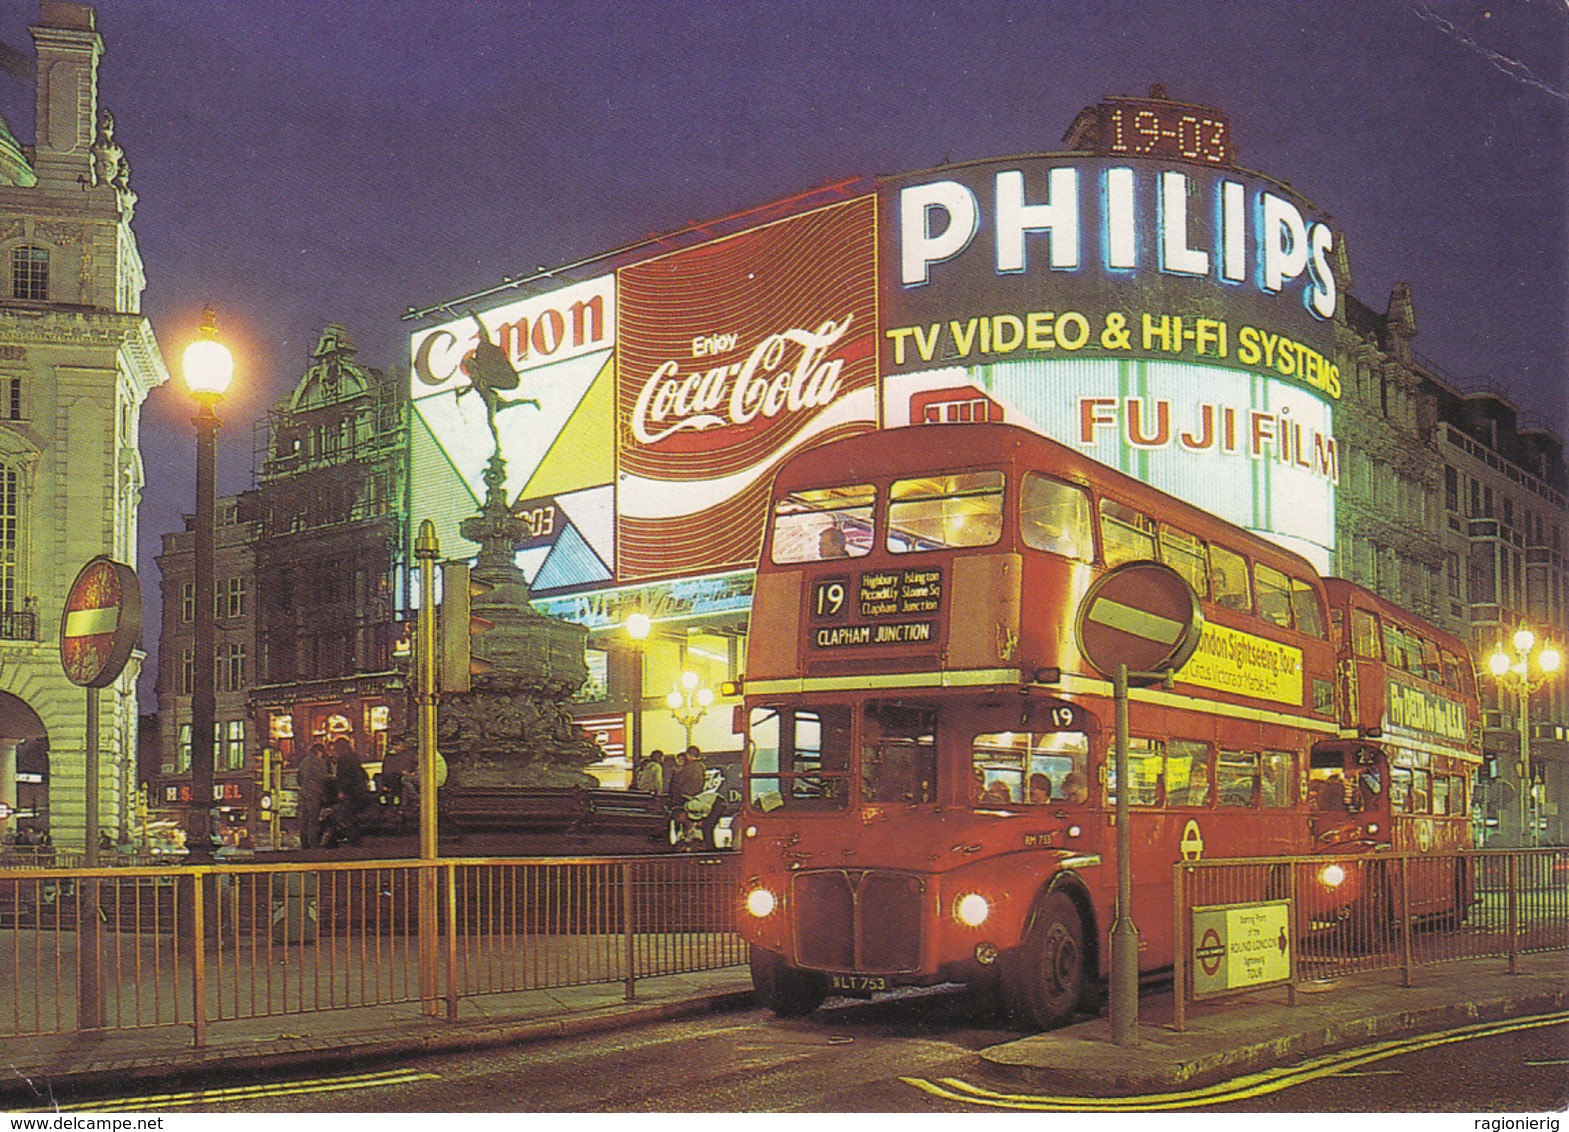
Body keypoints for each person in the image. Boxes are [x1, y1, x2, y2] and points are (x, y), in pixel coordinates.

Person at [328, 738, 372, 847]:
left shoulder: (343, 759)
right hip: (359, 789)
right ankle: (355, 839)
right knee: (352, 814)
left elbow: (343, 776)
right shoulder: (354, 756)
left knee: (346, 815)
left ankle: (353, 839)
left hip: (349, 791)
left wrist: (341, 790)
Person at [297, 743, 333, 849]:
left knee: (304, 818)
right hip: (315, 792)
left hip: (304, 792)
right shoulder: (319, 762)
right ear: (319, 752)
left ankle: (304, 842)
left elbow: (299, 778)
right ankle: (313, 843)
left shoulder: (304, 762)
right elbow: (324, 778)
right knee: (313, 819)